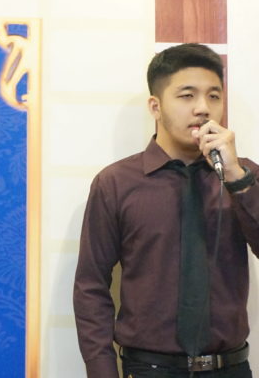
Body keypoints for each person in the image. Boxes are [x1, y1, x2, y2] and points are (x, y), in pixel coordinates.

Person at [74, 43, 259, 377]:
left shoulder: (244, 175)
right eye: (187, 96)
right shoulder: (116, 183)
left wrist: (236, 177)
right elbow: (91, 287)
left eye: (214, 96)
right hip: (149, 368)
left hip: (230, 367)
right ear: (155, 106)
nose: (203, 108)